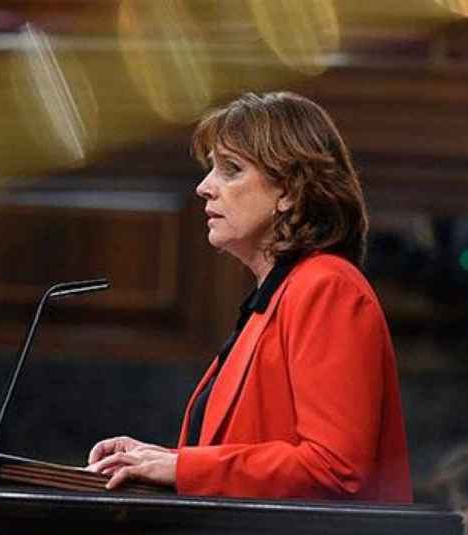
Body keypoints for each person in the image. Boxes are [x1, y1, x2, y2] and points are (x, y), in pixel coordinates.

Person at [86, 91, 411, 502]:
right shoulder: (277, 295)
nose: (204, 188)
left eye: (231, 170)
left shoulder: (327, 288)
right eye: (211, 170)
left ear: (289, 190)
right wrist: (157, 460)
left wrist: (182, 468)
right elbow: (248, 453)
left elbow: (336, 467)